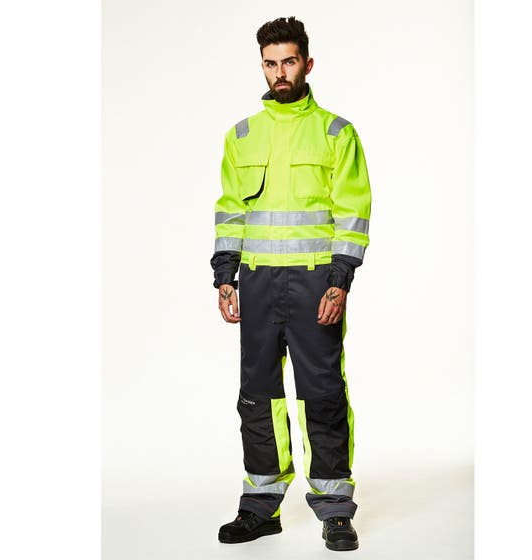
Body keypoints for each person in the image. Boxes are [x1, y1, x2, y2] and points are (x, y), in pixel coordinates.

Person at [210, 16, 372, 552]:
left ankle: (335, 508)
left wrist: (340, 280)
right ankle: (260, 506)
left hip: (314, 283)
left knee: (322, 394)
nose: (280, 72)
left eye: (289, 61)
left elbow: (353, 212)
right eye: (270, 63)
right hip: (256, 283)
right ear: (262, 65)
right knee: (257, 396)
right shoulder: (242, 135)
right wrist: (225, 275)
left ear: (307, 63)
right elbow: (231, 210)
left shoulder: (336, 133)